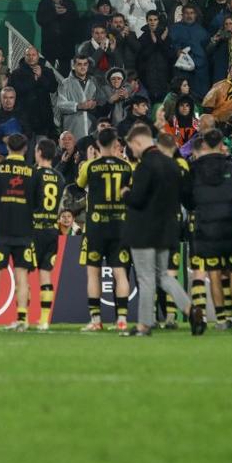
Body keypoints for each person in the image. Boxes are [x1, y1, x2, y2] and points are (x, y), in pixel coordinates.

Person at [124, 127, 195, 337]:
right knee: (163, 276)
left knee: (146, 278)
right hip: (167, 230)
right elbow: (187, 198)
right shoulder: (172, 165)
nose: (133, 152)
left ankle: (144, 326)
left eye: (132, 147)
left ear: (137, 143)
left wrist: (125, 193)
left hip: (144, 231)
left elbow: (137, 200)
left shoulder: (145, 166)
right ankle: (191, 310)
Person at [183, 129, 232, 331]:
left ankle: (221, 319)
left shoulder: (193, 170)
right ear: (221, 144)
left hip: (207, 226)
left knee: (214, 272)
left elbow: (187, 199)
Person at [76, 127, 133, 332]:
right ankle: (122, 320)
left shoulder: (90, 166)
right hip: (120, 225)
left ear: (98, 144)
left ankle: (96, 320)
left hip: (96, 226)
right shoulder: (127, 167)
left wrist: (92, 159)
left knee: (93, 273)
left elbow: (80, 184)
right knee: (121, 274)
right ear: (116, 144)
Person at [0, 133, 37, 331]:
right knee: (22, 274)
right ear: (25, 149)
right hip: (24, 231)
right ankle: (22, 319)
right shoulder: (33, 172)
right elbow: (37, 203)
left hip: (2, 230)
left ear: (7, 148)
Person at [30, 139, 65, 330]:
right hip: (52, 229)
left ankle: (22, 319)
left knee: (23, 274)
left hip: (34, 229)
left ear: (40, 152)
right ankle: (44, 320)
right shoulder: (59, 177)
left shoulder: (34, 174)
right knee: (45, 275)